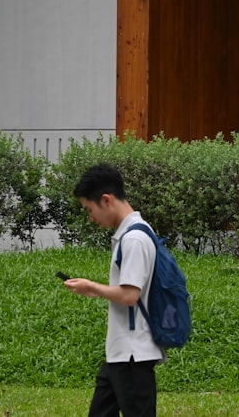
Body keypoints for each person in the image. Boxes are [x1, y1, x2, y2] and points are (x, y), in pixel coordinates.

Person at [63, 163, 164, 417]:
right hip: (120, 354)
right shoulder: (132, 234)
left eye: (90, 209)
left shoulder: (134, 239)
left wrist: (91, 285)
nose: (91, 217)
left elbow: (130, 295)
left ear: (106, 200)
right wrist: (95, 290)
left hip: (133, 355)